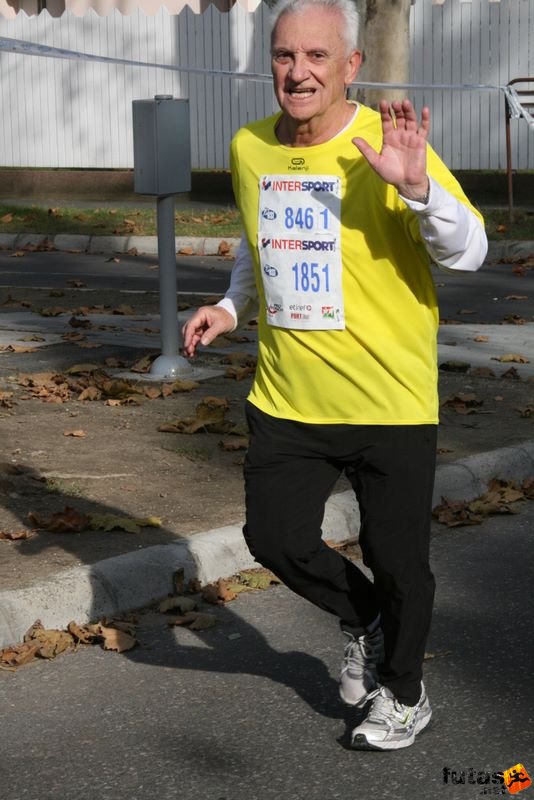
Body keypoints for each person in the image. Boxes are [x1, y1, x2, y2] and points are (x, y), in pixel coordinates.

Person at [183, 0, 487, 751]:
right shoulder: (250, 147)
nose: (299, 72)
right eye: (286, 56)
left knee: (400, 563)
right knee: (275, 537)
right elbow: (261, 240)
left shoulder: (386, 142)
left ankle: (405, 694)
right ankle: (366, 618)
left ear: (351, 66)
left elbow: (471, 250)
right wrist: (230, 305)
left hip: (390, 399)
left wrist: (417, 189)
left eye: (317, 57)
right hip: (290, 397)